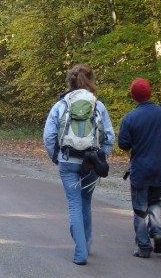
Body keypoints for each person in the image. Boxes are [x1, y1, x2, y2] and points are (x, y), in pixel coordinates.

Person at [43, 64, 115, 266]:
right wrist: (102, 156)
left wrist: (55, 157)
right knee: (85, 201)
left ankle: (80, 250)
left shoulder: (61, 105)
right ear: (90, 80)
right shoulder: (98, 105)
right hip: (91, 163)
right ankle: (87, 243)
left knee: (74, 203)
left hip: (68, 162)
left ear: (70, 82)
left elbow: (49, 136)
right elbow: (109, 136)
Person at [117, 78, 161, 258]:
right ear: (150, 93)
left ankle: (143, 247)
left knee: (139, 208)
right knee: (155, 201)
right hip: (160, 167)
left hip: (140, 169)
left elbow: (123, 144)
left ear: (133, 96)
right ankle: (157, 232)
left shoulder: (130, 118)